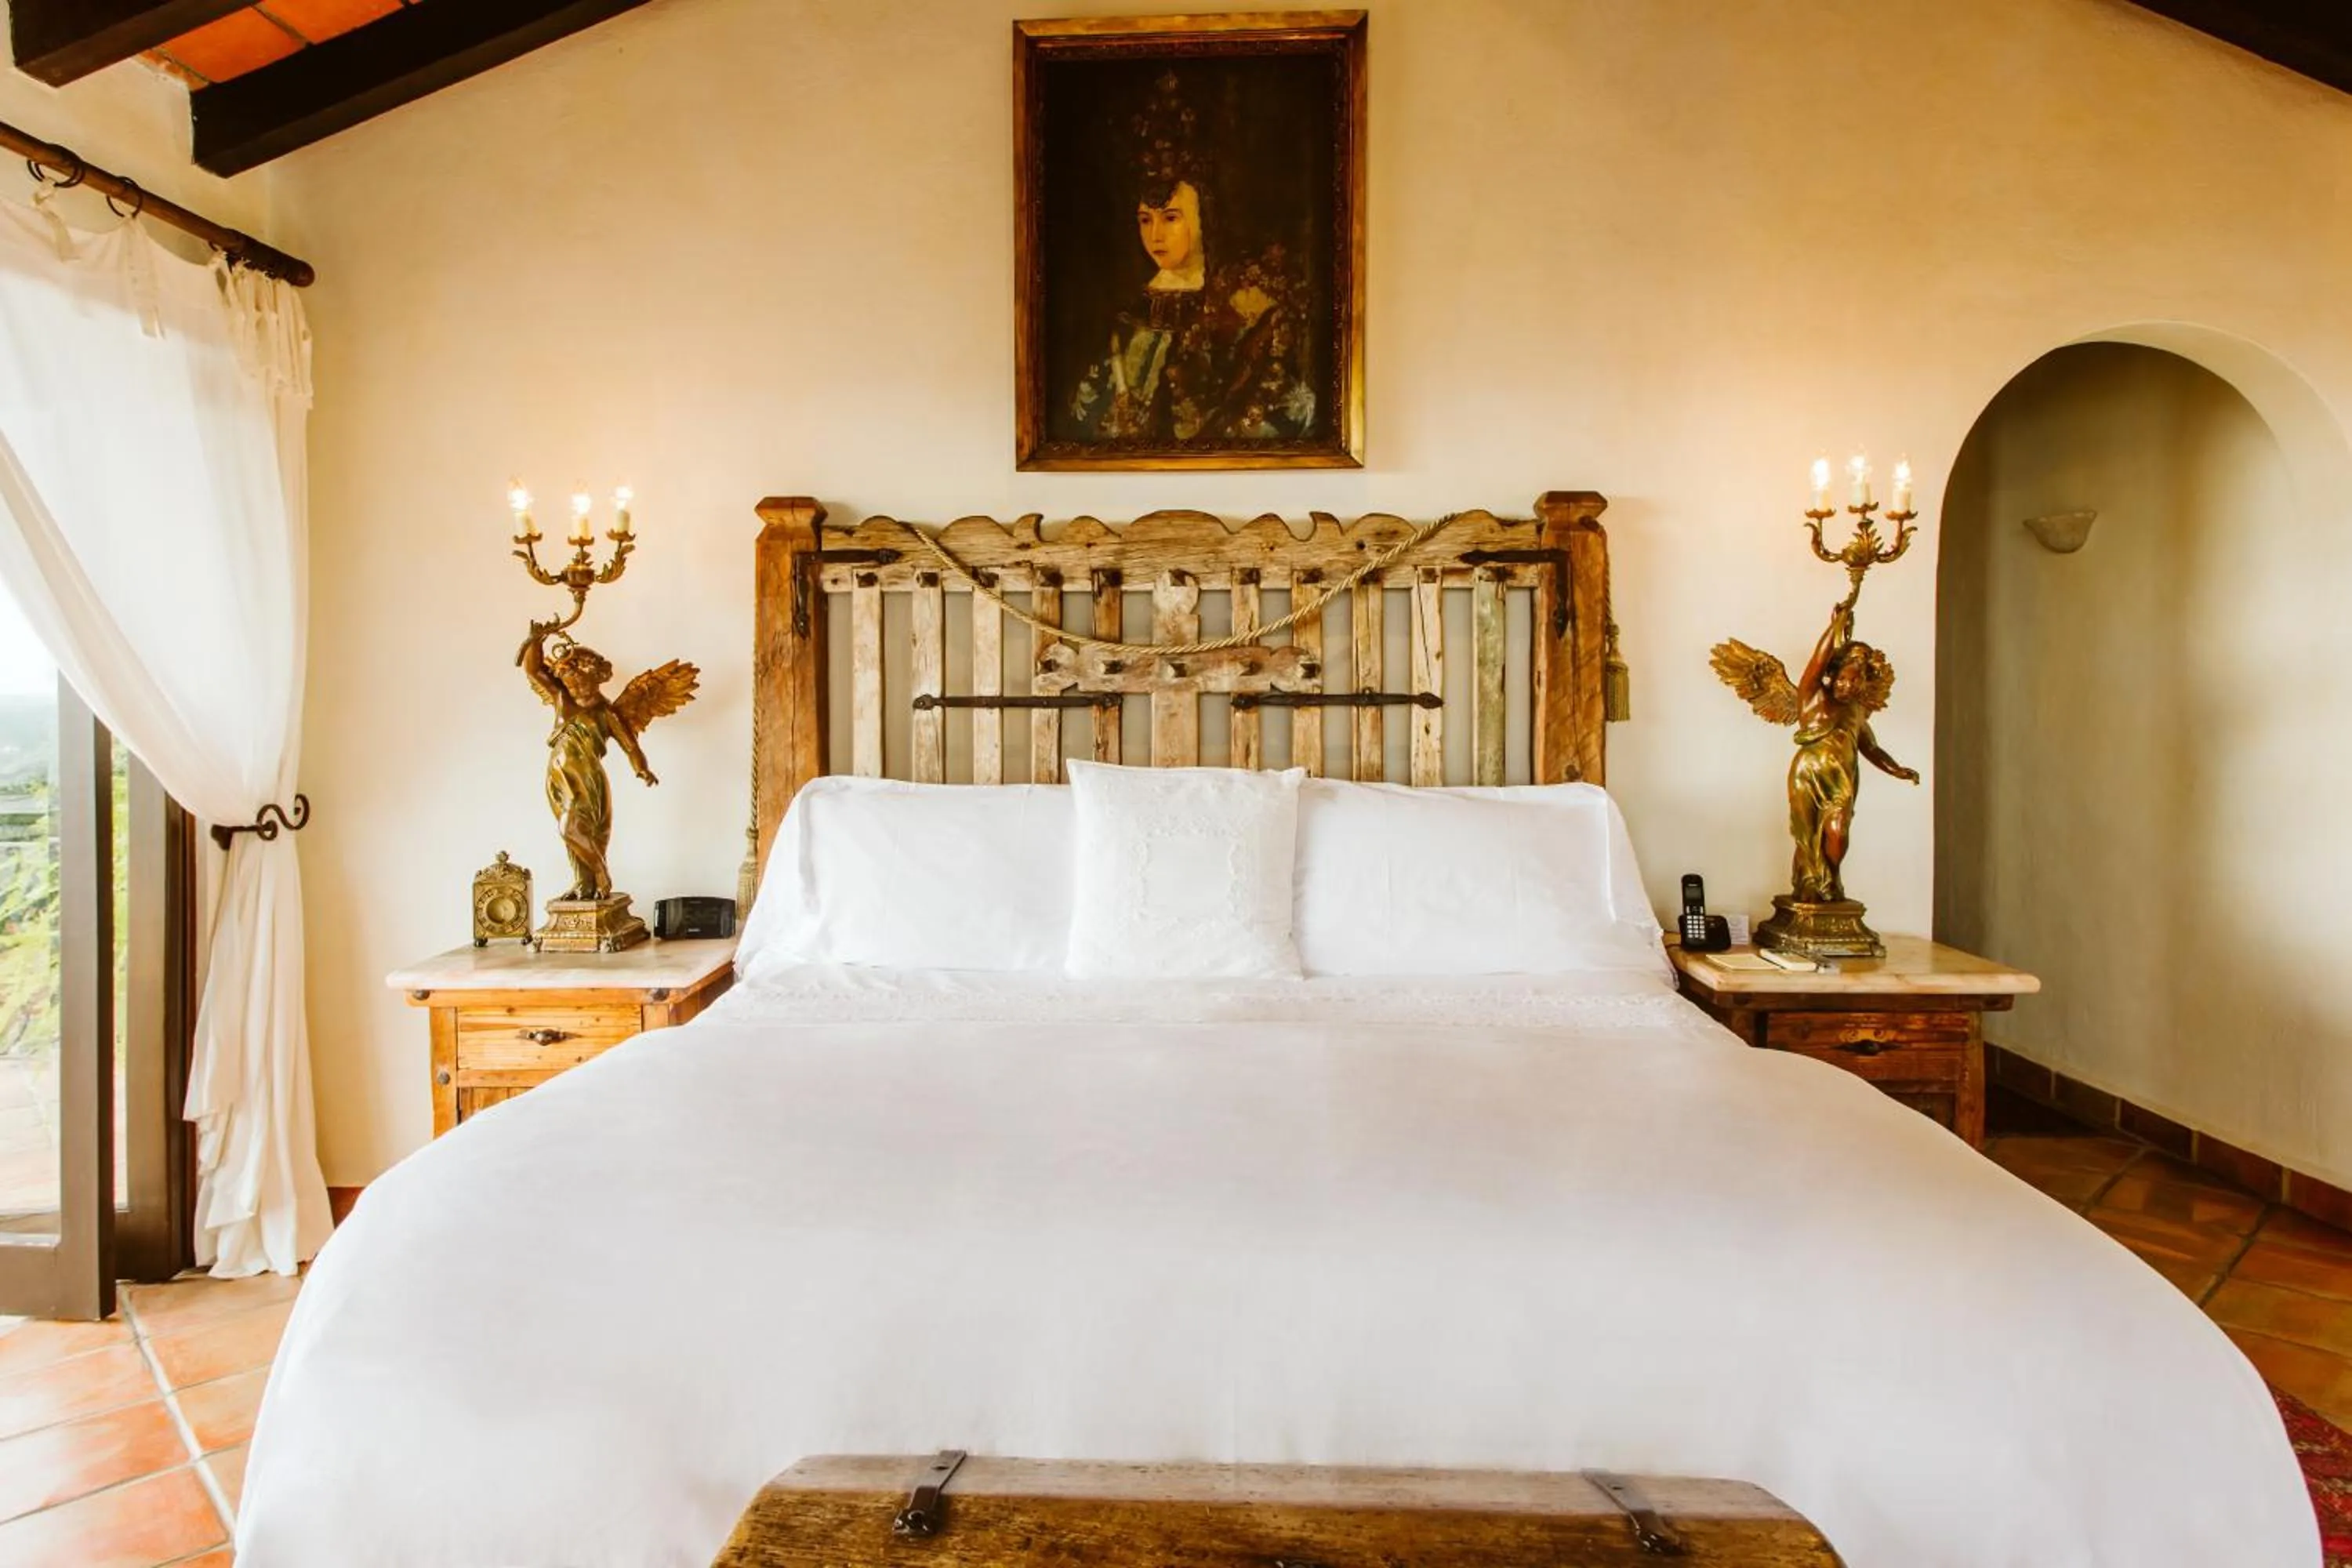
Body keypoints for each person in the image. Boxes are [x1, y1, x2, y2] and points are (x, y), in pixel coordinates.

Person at [1069, 72, 1318, 445]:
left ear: (1202, 216)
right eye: (1144, 220)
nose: (1155, 236)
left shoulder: (1247, 303)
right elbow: (1086, 417)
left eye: (1171, 219)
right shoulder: (1129, 315)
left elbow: (1286, 410)